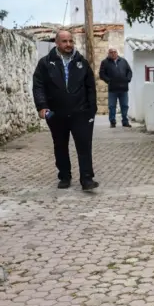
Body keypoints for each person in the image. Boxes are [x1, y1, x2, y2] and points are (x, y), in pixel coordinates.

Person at [32, 31, 99, 191]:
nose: (68, 44)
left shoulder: (82, 62)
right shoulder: (45, 63)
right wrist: (42, 106)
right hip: (56, 112)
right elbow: (38, 85)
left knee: (84, 146)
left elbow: (90, 87)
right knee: (60, 145)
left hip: (81, 112)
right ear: (57, 43)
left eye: (70, 41)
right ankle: (64, 176)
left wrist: (91, 110)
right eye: (64, 41)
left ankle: (87, 179)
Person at [99, 46, 133, 128]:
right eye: (111, 52)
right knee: (112, 106)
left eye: (115, 52)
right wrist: (109, 81)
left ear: (117, 53)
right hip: (112, 89)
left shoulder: (123, 61)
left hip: (123, 88)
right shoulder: (105, 62)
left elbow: (129, 71)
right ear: (108, 54)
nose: (113, 54)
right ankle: (112, 122)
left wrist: (127, 79)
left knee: (124, 106)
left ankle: (125, 121)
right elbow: (101, 74)